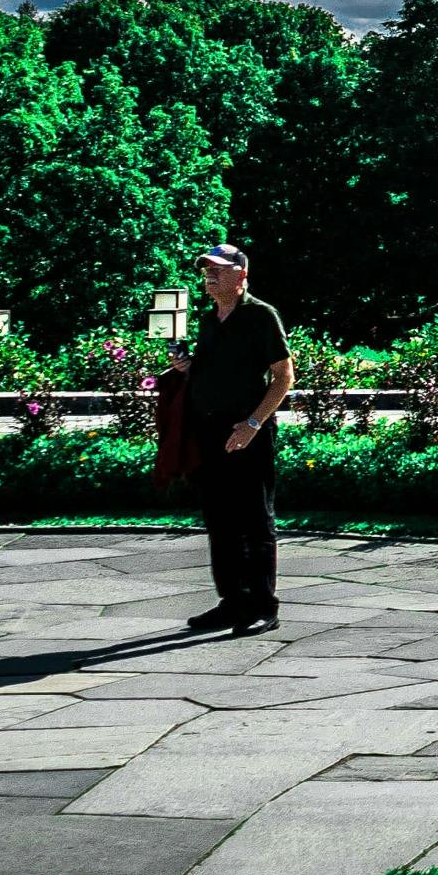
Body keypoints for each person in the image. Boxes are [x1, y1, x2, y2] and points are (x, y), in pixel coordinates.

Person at [176, 242, 294, 635]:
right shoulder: (209, 320)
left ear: (241, 274)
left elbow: (284, 377)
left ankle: (263, 608)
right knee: (220, 521)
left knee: (255, 521)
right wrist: (187, 366)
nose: (210, 275)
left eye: (219, 269)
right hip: (210, 433)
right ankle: (232, 603)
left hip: (248, 432)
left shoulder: (261, 315)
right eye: (206, 269)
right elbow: (215, 372)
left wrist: (253, 424)